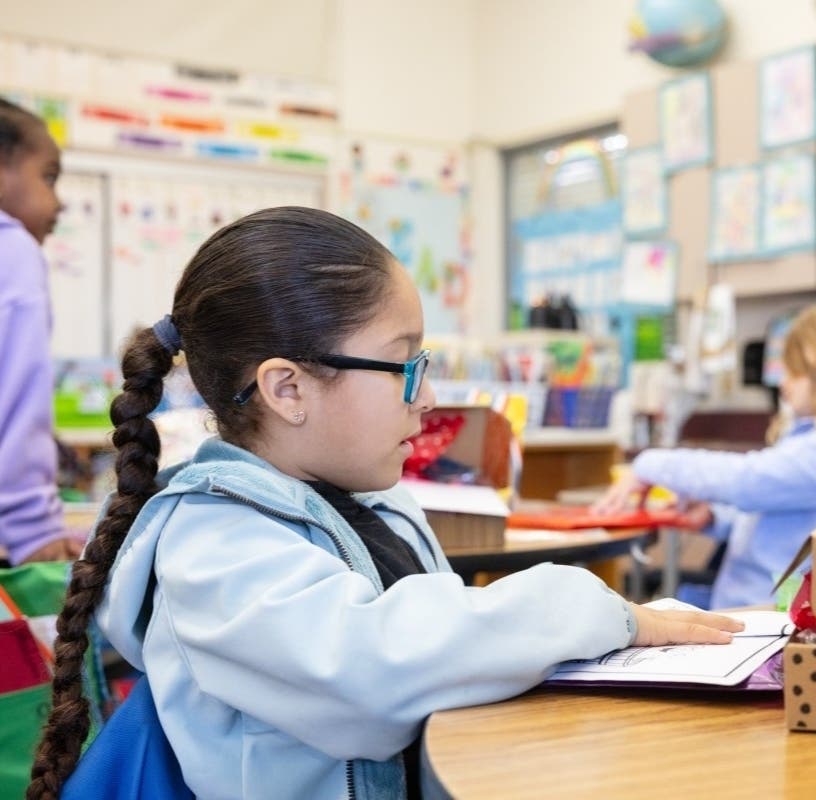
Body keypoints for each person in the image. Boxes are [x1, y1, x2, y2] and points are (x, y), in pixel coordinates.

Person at [27, 206, 743, 800]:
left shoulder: (380, 505)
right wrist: (593, 609)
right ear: (288, 389)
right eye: (405, 365)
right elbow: (373, 670)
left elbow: (447, 661)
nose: (427, 397)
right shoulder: (214, 548)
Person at [594, 294, 816, 610]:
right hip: (756, 613)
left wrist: (649, 463)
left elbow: (747, 480)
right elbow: (780, 518)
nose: (782, 382)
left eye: (797, 371)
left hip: (770, 625)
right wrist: (716, 517)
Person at [0, 99, 83, 564]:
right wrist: (34, 529)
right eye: (48, 177)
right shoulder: (11, 248)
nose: (59, 201)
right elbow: (15, 397)